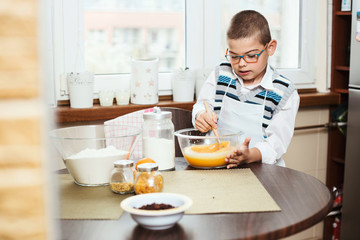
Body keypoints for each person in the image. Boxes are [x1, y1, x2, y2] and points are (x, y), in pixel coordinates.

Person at [192, 10, 300, 168]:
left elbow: (276, 144)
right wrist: (200, 116)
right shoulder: (221, 74)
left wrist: (250, 155)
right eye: (234, 56)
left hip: (262, 170)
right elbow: (201, 105)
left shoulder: (284, 92)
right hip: (220, 165)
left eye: (251, 55)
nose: (241, 63)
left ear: (270, 48)